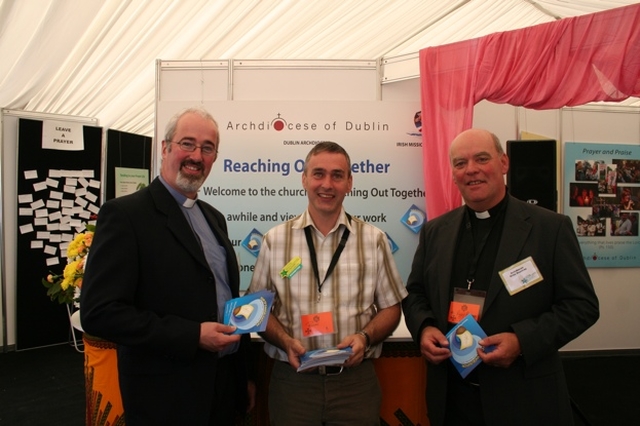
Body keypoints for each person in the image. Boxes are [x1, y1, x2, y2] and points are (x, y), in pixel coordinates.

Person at [402, 128, 599, 426]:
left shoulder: (550, 229)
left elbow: (582, 306)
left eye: (482, 158)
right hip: (451, 400)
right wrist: (424, 327)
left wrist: (522, 340)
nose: (471, 170)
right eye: (460, 163)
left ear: (504, 163)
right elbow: (415, 292)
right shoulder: (435, 231)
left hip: (524, 400)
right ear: (453, 173)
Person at [80, 107, 254, 425]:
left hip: (223, 389)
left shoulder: (214, 217)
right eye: (187, 143)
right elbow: (99, 313)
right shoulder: (125, 215)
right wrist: (192, 335)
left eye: (207, 148)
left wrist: (243, 379)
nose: (196, 155)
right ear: (165, 147)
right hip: (165, 399)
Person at [246, 141, 407, 425]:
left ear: (349, 183)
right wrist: (285, 341)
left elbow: (391, 308)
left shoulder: (374, 240)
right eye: (318, 174)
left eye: (337, 175)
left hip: (355, 385)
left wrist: (364, 338)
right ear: (304, 179)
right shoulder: (275, 240)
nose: (327, 184)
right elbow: (257, 310)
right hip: (293, 383)